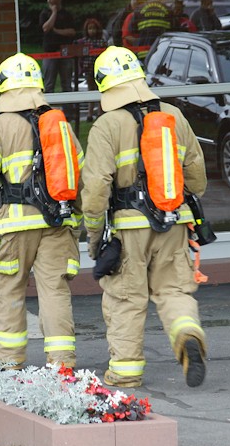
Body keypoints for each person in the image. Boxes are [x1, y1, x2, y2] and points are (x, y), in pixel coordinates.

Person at [80, 45, 209, 388]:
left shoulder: (106, 125)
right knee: (174, 291)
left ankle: (125, 372)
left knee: (126, 298)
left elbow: (95, 190)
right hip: (173, 221)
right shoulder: (174, 115)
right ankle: (187, 334)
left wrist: (95, 237)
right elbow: (196, 177)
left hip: (128, 229)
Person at [0, 53, 82, 369]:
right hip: (57, 223)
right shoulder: (59, 124)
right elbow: (79, 174)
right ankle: (62, 362)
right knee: (55, 291)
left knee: (9, 291)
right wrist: (78, 219)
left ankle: (10, 357)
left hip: (12, 228)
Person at [38, 0, 76, 93]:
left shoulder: (67, 14)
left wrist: (56, 31)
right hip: (50, 52)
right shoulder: (45, 13)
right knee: (49, 83)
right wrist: (54, 12)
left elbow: (72, 32)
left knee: (67, 83)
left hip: (65, 52)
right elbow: (46, 28)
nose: (49, 1)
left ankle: (68, 103)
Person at [75, 17, 109, 120]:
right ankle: (89, 114)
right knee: (91, 90)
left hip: (100, 70)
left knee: (100, 90)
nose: (92, 31)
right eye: (90, 29)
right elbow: (80, 56)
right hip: (88, 69)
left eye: (94, 28)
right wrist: (81, 67)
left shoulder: (102, 42)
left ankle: (100, 112)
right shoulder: (83, 42)